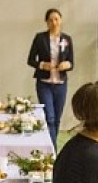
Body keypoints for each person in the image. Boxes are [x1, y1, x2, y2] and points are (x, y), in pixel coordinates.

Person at [26, 8, 73, 143]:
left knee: (57, 118)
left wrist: (66, 65)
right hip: (44, 83)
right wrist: (42, 65)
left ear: (61, 20)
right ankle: (53, 150)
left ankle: (51, 143)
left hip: (60, 84)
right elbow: (30, 60)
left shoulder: (67, 39)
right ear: (46, 22)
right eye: (51, 20)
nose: (54, 22)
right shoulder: (40, 38)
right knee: (49, 117)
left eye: (56, 19)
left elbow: (72, 62)